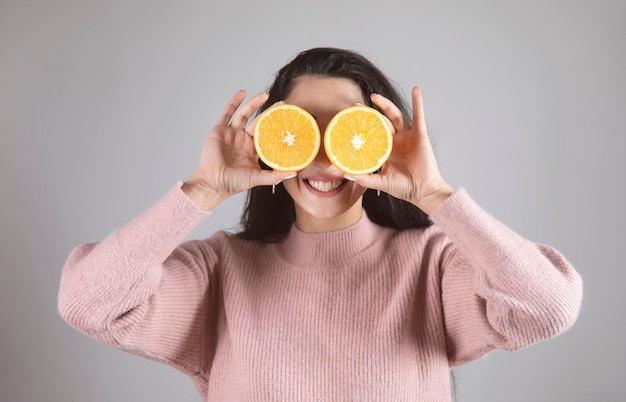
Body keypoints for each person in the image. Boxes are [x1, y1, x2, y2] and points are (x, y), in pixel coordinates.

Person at [58, 47, 583, 401]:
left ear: (380, 143)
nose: (326, 161)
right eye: (302, 132)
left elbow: (548, 306)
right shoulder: (221, 270)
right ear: (270, 139)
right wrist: (200, 192)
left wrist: (437, 197)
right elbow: (86, 303)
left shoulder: (433, 264)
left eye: (350, 133)